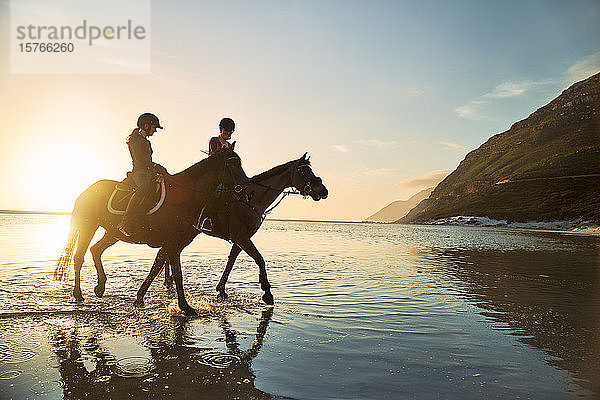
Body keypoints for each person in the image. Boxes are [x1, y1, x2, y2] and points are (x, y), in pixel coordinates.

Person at [118, 113, 165, 238]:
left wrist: (157, 170)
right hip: (140, 172)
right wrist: (155, 167)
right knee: (145, 188)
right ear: (146, 125)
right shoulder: (136, 140)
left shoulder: (146, 141)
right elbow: (141, 160)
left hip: (149, 171)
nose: (155, 130)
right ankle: (126, 222)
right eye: (154, 127)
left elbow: (148, 161)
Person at [201, 117, 236, 232]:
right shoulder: (214, 140)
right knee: (214, 192)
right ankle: (205, 217)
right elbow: (215, 158)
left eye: (230, 131)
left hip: (225, 175)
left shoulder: (230, 145)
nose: (228, 132)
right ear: (221, 129)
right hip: (212, 173)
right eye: (226, 130)